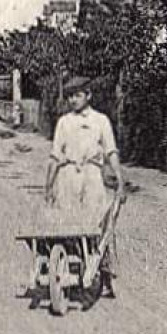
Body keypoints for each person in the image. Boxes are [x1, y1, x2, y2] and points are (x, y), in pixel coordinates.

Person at [44, 76, 127, 297]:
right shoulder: (64, 122)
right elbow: (55, 155)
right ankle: (69, 269)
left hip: (92, 176)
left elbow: (111, 152)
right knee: (69, 224)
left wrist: (120, 181)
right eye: (70, 96)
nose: (73, 100)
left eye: (78, 95)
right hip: (68, 176)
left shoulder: (101, 121)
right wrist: (48, 186)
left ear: (88, 96)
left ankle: (105, 272)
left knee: (96, 225)